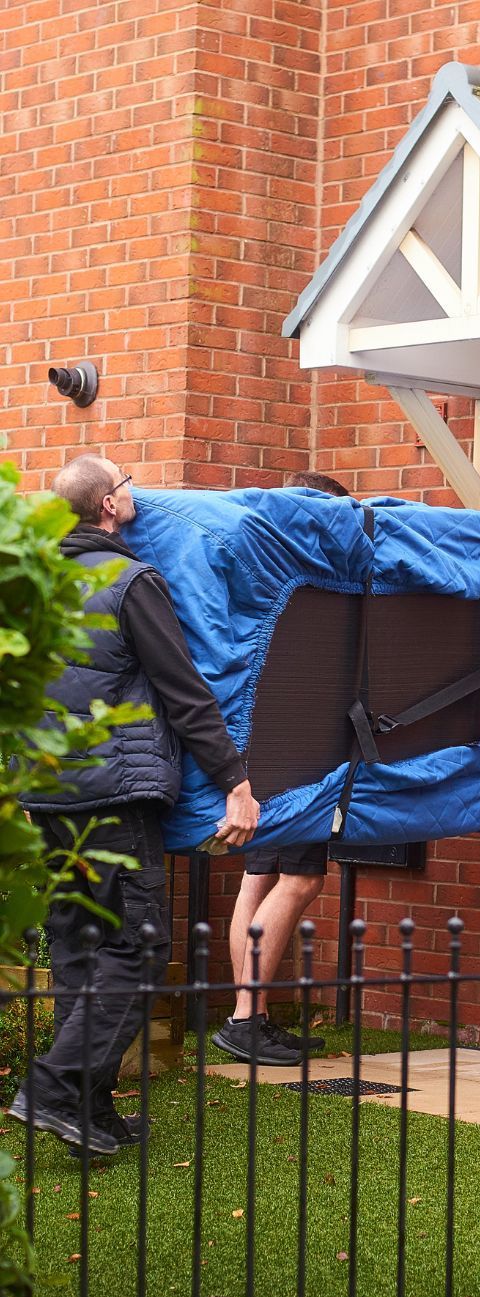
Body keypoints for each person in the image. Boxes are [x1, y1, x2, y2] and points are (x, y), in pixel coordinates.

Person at [11, 454, 260, 1154]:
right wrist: (235, 781)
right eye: (127, 487)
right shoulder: (131, 581)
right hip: (116, 795)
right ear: (111, 507)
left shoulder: (35, 589)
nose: (135, 497)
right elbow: (184, 691)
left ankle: (89, 1114)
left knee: (80, 952)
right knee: (139, 948)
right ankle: (54, 1089)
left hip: (48, 797)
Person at [213, 469, 350, 1065]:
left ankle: (250, 1014)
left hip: (261, 740)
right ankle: (247, 1018)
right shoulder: (315, 571)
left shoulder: (264, 559)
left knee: (257, 878)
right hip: (303, 745)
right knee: (302, 878)